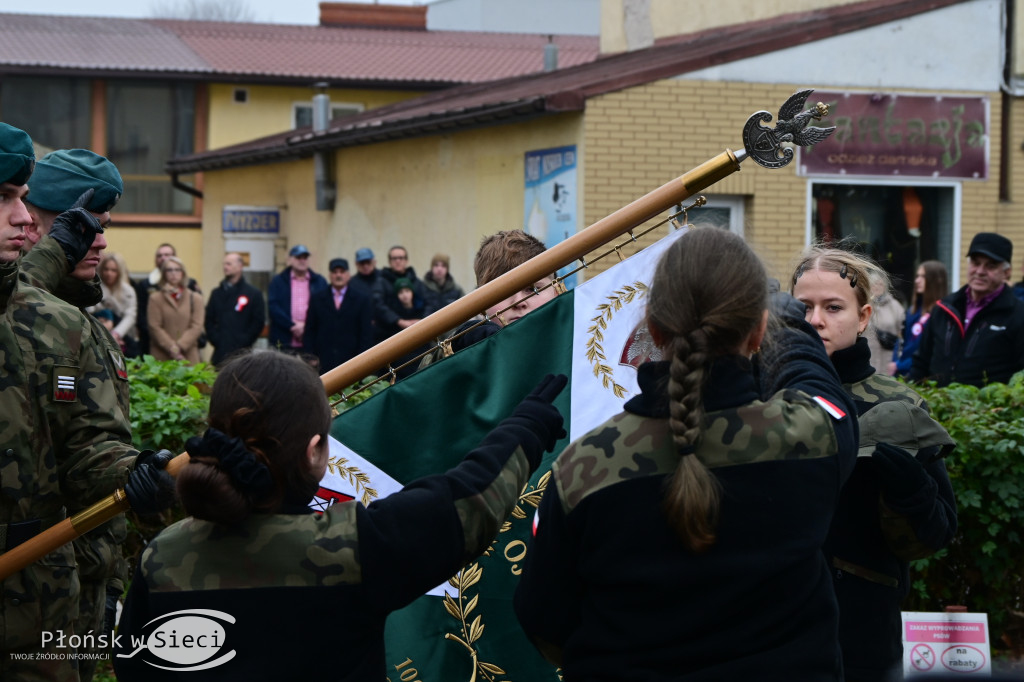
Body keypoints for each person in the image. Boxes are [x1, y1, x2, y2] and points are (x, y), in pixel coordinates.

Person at [514, 227, 859, 680]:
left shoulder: (583, 469)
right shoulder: (809, 437)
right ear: (758, 332)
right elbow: (824, 395)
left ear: (653, 330)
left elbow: (545, 617)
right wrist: (791, 329)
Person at [113, 351, 567, 681]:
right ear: (313, 452)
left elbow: (132, 664)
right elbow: (466, 503)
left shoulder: (162, 559)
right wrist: (526, 427)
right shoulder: (351, 548)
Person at [0, 123, 176, 679]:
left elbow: (87, 451)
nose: (93, 240)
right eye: (72, 226)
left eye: (99, 226)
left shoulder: (70, 326)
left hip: (60, 584)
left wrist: (141, 476)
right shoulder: (37, 316)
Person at [791, 244, 957, 682]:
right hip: (772, 630)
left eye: (833, 307)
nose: (815, 321)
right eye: (803, 307)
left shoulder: (899, 404)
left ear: (864, 317)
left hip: (862, 635)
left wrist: (913, 495)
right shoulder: (758, 394)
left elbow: (936, 533)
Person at [909, 232, 1024, 387]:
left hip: (988, 409)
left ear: (1007, 272)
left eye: (991, 266)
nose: (980, 271)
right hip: (936, 406)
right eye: (975, 263)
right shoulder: (943, 308)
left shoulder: (1017, 314)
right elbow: (920, 363)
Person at [304, 257, 373, 372]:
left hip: (352, 361)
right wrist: (310, 357)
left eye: (342, 272)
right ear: (330, 275)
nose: (338, 275)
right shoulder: (317, 299)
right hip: (322, 362)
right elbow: (310, 331)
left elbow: (366, 334)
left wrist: (363, 359)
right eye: (335, 272)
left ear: (348, 275)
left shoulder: (361, 299)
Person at [135, 242, 200, 355]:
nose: (163, 258)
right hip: (158, 347)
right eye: (159, 256)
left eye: (167, 255)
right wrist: (168, 344)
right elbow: (144, 319)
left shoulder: (191, 287)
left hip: (187, 350)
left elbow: (197, 323)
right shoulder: (146, 285)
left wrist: (180, 346)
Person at [204, 252, 266, 366]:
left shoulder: (253, 294)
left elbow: (258, 322)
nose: (225, 267)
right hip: (220, 352)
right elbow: (209, 320)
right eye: (224, 264)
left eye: (229, 264)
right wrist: (217, 340)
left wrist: (244, 341)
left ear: (240, 266)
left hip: (243, 354)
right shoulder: (217, 293)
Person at [891, 260, 948, 378]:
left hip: (923, 377)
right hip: (903, 375)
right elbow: (903, 343)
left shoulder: (941, 313)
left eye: (923, 277)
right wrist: (896, 363)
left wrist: (899, 365)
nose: (917, 281)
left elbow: (930, 353)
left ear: (936, 280)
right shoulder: (913, 310)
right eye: (917, 276)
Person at [268, 243, 328, 351]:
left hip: (311, 340)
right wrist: (292, 326)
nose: (302, 260)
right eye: (298, 257)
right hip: (284, 338)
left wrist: (306, 326)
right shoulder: (278, 281)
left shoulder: (319, 281)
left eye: (305, 257)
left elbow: (325, 308)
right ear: (290, 259)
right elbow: (273, 307)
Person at [147, 255, 206, 363]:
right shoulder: (155, 298)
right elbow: (154, 326)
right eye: (169, 270)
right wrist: (172, 348)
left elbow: (197, 325)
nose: (173, 273)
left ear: (182, 273)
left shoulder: (195, 298)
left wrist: (180, 346)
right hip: (162, 356)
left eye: (177, 270)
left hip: (188, 356)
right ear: (164, 273)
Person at [89, 252, 140, 358]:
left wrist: (116, 334)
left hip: (124, 337)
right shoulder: (95, 287)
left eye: (113, 270)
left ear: (119, 272)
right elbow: (90, 310)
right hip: (99, 336)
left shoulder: (128, 291)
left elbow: (131, 316)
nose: (109, 273)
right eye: (106, 269)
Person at [371, 245, 426, 342]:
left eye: (401, 258)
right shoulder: (381, 282)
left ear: (406, 260)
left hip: (417, 336)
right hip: (389, 337)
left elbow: (429, 303)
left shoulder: (417, 282)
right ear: (389, 261)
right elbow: (378, 305)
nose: (398, 261)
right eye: (394, 258)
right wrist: (398, 321)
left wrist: (421, 321)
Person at [866, 273, 905, 376]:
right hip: (868, 358)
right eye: (874, 284)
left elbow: (903, 331)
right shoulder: (863, 304)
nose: (877, 287)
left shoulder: (895, 306)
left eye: (880, 284)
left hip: (888, 360)